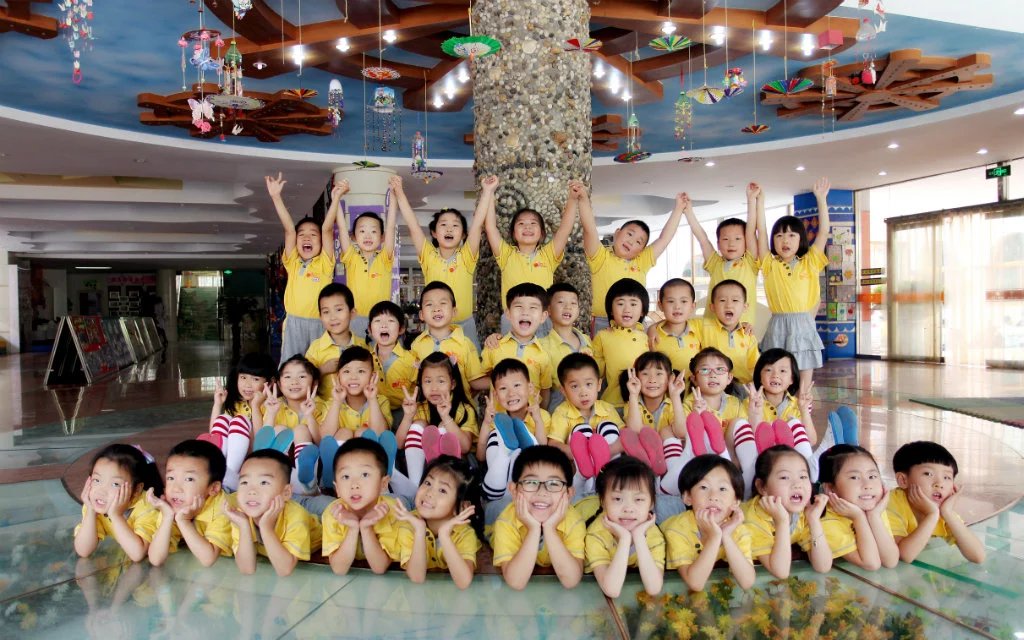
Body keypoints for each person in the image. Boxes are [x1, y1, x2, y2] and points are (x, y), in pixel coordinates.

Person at [756, 177, 831, 396]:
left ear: (801, 239)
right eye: (779, 236)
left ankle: (804, 408)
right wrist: (760, 202)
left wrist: (821, 199)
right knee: (775, 375)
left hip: (803, 324)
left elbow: (823, 232)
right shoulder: (770, 264)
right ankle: (778, 410)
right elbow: (761, 232)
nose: (785, 240)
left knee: (804, 379)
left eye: (791, 235)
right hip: (778, 324)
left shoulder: (810, 261)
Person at [393, 175, 488, 347]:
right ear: (434, 233)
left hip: (465, 326)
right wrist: (399, 192)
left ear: (463, 235)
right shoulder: (428, 256)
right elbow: (413, 225)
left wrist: (487, 191)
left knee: (470, 364)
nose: (449, 228)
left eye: (455, 225)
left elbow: (477, 224)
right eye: (443, 224)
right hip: (435, 327)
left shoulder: (466, 256)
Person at [580, 189, 688, 333]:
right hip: (603, 321)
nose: (631, 242)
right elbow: (589, 229)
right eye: (629, 234)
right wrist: (583, 199)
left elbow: (664, 239)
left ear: (642, 250)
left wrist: (678, 209)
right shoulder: (600, 257)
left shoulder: (641, 262)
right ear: (617, 233)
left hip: (634, 322)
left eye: (638, 242)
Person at [267, 172, 344, 365]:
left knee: (319, 366)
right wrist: (276, 197)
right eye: (302, 235)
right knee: (291, 367)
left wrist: (336, 199)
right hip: (294, 324)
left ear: (321, 242)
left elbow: (327, 229)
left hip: (320, 323)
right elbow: (289, 230)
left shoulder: (325, 263)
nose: (306, 238)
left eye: (313, 235)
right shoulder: (292, 262)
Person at [484, 178, 578, 337]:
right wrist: (489, 192)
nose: (527, 227)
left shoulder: (548, 255)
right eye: (521, 224)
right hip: (512, 319)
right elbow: (490, 227)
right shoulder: (506, 255)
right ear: (514, 233)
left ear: (541, 234)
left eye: (533, 224)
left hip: (542, 319)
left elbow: (564, 229)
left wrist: (573, 199)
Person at [492, 445, 586, 590]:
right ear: (514, 490)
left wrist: (550, 529)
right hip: (495, 514)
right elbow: (516, 582)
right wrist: (533, 529)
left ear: (569, 493)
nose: (542, 492)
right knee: (492, 511)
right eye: (531, 482)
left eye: (554, 483)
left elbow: (571, 581)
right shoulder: (505, 522)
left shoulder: (574, 522)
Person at [394, 352, 480, 500]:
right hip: (422, 469)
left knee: (443, 428)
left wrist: (446, 418)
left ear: (452, 384)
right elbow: (398, 444)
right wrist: (408, 416)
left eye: (441, 381)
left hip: (459, 469)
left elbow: (465, 447)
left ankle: (443, 488)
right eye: (427, 381)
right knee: (419, 424)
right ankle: (416, 487)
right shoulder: (419, 408)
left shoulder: (464, 409)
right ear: (420, 384)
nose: (434, 388)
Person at [223, 449, 321, 576]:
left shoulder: (297, 517)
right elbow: (247, 569)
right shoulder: (240, 514)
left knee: (320, 503)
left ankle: (312, 488)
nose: (251, 491)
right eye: (244, 482)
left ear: (286, 492)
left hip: (321, 527)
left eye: (264, 482)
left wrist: (266, 527)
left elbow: (285, 570)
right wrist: (243, 526)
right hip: (284, 503)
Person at [663, 455, 755, 591]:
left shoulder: (737, 529)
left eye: (722, 489)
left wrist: (726, 536)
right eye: (704, 487)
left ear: (736, 501)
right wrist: (715, 537)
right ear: (687, 497)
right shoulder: (677, 529)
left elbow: (747, 582)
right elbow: (695, 583)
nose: (713, 497)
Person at [742, 446, 835, 578]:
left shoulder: (804, 512)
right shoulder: (753, 519)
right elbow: (781, 572)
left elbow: (823, 566)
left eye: (803, 476)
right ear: (762, 487)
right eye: (785, 477)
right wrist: (782, 522)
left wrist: (814, 520)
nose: (797, 484)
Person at [391, 456, 484, 589]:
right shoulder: (409, 524)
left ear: (462, 506)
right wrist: (420, 531)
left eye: (442, 490)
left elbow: (463, 582)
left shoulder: (465, 533)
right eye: (428, 483)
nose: (429, 493)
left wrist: (444, 535)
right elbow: (417, 577)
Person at [732, 348, 818, 491]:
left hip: (793, 465)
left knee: (794, 423)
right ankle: (750, 484)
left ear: (792, 379)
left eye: (783, 371)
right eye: (768, 370)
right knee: (739, 425)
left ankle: (810, 477)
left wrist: (804, 411)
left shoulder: (798, 405)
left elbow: (811, 441)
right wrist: (755, 413)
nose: (775, 375)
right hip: (760, 462)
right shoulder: (749, 403)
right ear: (759, 377)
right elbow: (748, 443)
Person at [887, 441, 985, 564]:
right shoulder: (890, 504)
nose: (939, 483)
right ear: (903, 480)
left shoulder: (943, 510)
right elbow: (904, 555)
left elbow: (978, 556)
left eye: (947, 477)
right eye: (928, 474)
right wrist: (932, 515)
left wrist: (948, 513)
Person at [584, 456, 665, 598]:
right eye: (617, 499)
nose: (628, 508)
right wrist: (625, 539)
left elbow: (653, 588)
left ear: (651, 503)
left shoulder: (653, 534)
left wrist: (639, 537)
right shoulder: (596, 534)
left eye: (638, 499)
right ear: (602, 501)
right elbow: (612, 590)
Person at [321, 439, 402, 575]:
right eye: (346, 476)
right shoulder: (333, 512)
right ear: (337, 488)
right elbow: (339, 569)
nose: (354, 485)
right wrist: (353, 528)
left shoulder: (393, 512)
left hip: (395, 500)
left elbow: (380, 567)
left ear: (383, 483)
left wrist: (366, 528)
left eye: (364, 475)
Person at [147, 439, 232, 567]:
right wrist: (167, 517)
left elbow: (208, 559)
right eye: (171, 478)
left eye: (189, 479)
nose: (176, 488)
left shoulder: (224, 508)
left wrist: (184, 521)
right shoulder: (171, 506)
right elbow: (155, 559)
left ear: (213, 488)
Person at [686, 183, 761, 326]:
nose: (731, 244)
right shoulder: (715, 263)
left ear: (746, 242)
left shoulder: (750, 263)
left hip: (742, 329)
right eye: (725, 239)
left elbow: (751, 231)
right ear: (718, 244)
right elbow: (702, 239)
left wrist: (751, 200)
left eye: (738, 239)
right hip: (712, 329)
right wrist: (689, 212)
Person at [548, 353, 624, 491]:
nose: (583, 393)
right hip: (577, 473)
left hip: (610, 467)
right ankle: (586, 477)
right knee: (581, 431)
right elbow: (554, 445)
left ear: (599, 384)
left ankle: (611, 478)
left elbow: (624, 436)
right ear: (563, 390)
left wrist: (604, 452)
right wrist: (581, 454)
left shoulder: (607, 409)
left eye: (589, 384)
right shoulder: (562, 412)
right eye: (574, 386)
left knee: (608, 427)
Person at [73, 444, 162, 562]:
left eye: (115, 484)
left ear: (137, 489)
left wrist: (116, 516)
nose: (101, 491)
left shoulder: (148, 507)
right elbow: (83, 550)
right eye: (96, 480)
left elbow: (138, 554)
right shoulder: (94, 505)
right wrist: (90, 511)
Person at [337, 177, 400, 339]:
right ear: (353, 236)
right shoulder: (351, 257)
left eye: (373, 231)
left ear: (382, 237)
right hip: (355, 320)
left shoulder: (385, 257)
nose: (368, 236)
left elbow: (391, 226)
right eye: (362, 231)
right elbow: (342, 228)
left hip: (381, 320)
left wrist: (394, 196)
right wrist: (336, 198)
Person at [479, 358, 550, 501]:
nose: (511, 393)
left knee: (530, 451)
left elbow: (542, 449)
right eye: (503, 389)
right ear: (496, 395)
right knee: (496, 435)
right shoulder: (497, 420)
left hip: (530, 476)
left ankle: (516, 455)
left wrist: (537, 419)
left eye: (517, 385)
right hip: (500, 479)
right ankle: (506, 454)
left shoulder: (542, 416)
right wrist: (486, 423)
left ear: (530, 388)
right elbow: (480, 456)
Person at [818, 445, 897, 570]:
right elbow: (871, 564)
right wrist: (859, 517)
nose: (868, 485)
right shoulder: (825, 520)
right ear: (830, 488)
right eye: (854, 477)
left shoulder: (874, 510)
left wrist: (874, 517)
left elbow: (891, 561)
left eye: (872, 476)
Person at [205, 352, 276, 490]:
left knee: (239, 420)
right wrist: (217, 404)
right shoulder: (238, 404)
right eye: (243, 377)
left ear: (270, 382)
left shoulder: (271, 405)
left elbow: (261, 441)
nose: (247, 385)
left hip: (256, 457)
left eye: (255, 379)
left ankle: (228, 476)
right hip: (234, 457)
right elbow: (215, 437)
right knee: (223, 418)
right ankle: (219, 469)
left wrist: (255, 407)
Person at [478, 282, 554, 406]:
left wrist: (541, 414)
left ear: (543, 316)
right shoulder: (494, 346)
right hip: (499, 416)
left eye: (533, 308)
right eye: (519, 306)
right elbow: (478, 380)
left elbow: (545, 390)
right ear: (508, 313)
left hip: (531, 417)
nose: (525, 312)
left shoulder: (544, 355)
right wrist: (501, 382)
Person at [409, 281, 484, 398]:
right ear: (421, 315)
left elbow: (475, 381)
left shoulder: (465, 344)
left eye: (443, 303)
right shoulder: (417, 345)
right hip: (427, 407)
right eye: (429, 304)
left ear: (454, 312)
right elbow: (414, 381)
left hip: (458, 408)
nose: (436, 309)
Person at [620, 352, 684, 476]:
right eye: (645, 374)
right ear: (636, 377)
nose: (652, 380)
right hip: (641, 466)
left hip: (670, 462)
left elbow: (681, 432)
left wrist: (675, 396)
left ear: (670, 378)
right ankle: (649, 468)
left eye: (659, 374)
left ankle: (673, 473)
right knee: (628, 433)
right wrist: (633, 394)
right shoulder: (632, 404)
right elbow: (635, 431)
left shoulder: (672, 405)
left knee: (667, 431)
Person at [592, 278, 652, 409]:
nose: (627, 309)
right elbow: (596, 373)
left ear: (643, 310)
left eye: (633, 304)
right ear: (611, 310)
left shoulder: (647, 337)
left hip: (644, 405)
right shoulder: (603, 336)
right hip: (613, 404)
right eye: (620, 303)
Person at [304, 283, 366, 400]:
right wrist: (322, 370)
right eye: (326, 312)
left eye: (338, 309)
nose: (333, 317)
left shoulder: (363, 346)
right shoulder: (315, 349)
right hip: (326, 409)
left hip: (357, 410)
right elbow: (304, 384)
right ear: (320, 317)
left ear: (352, 313)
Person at [539, 282, 593, 413]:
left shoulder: (587, 340)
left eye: (573, 303)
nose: (568, 307)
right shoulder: (542, 346)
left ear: (578, 310)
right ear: (549, 310)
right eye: (561, 302)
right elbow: (544, 390)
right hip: (560, 414)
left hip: (588, 412)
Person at [699, 280, 759, 385]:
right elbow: (679, 324)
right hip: (712, 385)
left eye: (735, 300)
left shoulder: (748, 335)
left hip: (742, 386)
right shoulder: (702, 327)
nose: (729, 305)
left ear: (745, 307)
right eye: (722, 300)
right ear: (712, 307)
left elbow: (755, 367)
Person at [366, 301, 417, 422]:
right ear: (370, 329)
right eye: (378, 321)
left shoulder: (411, 360)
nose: (384, 325)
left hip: (405, 413)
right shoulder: (365, 360)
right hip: (374, 411)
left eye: (390, 321)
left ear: (401, 329)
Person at [646, 278, 702, 377]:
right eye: (671, 301)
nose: (677, 306)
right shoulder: (653, 337)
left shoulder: (699, 327)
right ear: (660, 305)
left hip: (696, 386)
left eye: (683, 301)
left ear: (693, 306)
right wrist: (651, 328)